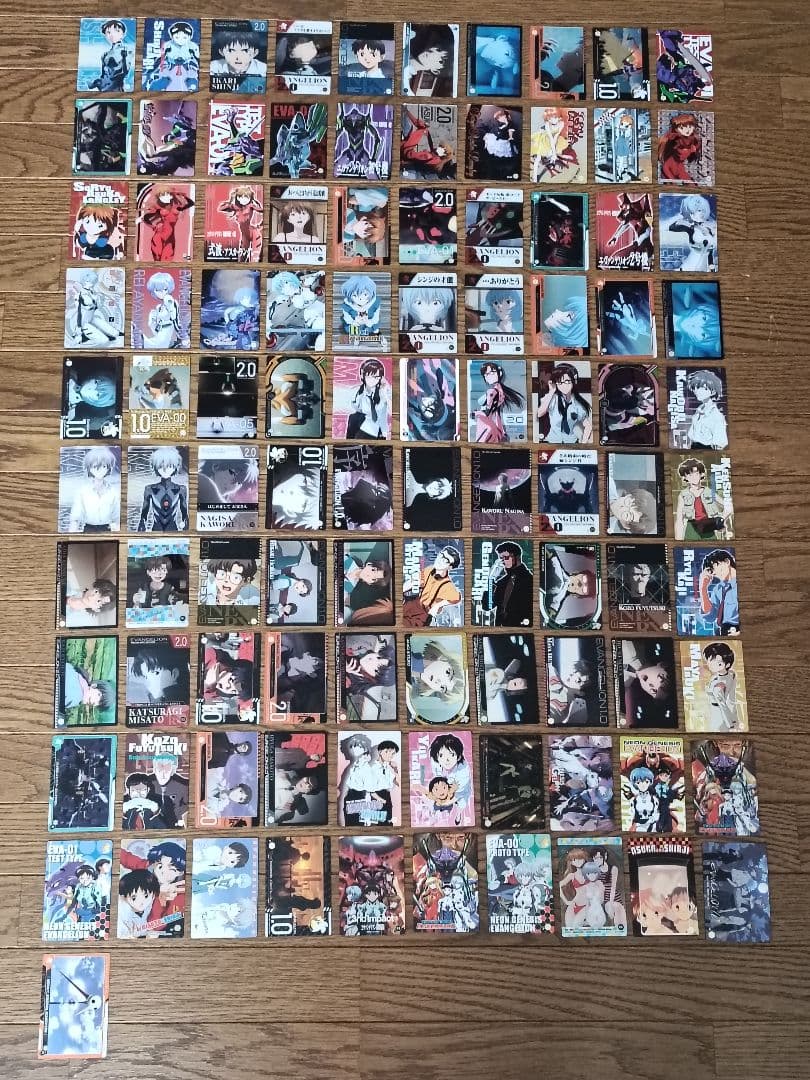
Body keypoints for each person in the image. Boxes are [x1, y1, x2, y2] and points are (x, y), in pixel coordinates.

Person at [674, 457, 733, 541]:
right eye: (690, 475)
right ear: (685, 477)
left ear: (701, 474)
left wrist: (721, 519)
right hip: (691, 529)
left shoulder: (709, 492)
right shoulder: (683, 495)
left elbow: (729, 506)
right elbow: (679, 520)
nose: (694, 477)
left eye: (696, 474)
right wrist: (678, 540)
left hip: (708, 527)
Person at [403, 546, 462, 627]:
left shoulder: (447, 586)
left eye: (446, 560)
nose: (441, 559)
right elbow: (415, 581)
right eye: (442, 555)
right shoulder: (429, 569)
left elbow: (457, 598)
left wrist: (438, 605)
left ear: (450, 567)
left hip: (423, 614)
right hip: (414, 604)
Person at [535, 360, 592, 441]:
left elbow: (588, 426)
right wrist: (551, 391)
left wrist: (584, 443)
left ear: (574, 381)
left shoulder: (577, 404)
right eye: (559, 382)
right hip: (552, 440)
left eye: (567, 381)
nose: (563, 385)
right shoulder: (552, 399)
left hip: (571, 442)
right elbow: (540, 413)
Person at [67, 446, 120, 533]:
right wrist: (71, 536)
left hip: (108, 530)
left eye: (103, 466)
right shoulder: (82, 492)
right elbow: (75, 518)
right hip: (88, 530)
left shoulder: (113, 492)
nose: (99, 470)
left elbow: (117, 519)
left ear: (108, 468)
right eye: (95, 466)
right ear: (89, 468)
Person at [137, 446, 188, 532]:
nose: (165, 469)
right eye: (161, 466)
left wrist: (186, 528)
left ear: (175, 466)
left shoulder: (181, 489)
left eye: (169, 466)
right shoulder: (149, 489)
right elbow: (144, 512)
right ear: (155, 467)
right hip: (156, 530)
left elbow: (184, 513)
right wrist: (141, 526)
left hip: (173, 530)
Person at [481, 541, 533, 626]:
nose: (503, 561)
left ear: (517, 557)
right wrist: (491, 580)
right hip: (501, 629)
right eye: (501, 558)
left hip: (522, 627)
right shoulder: (502, 582)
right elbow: (488, 606)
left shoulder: (529, 580)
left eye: (506, 557)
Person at [472, 361, 525, 443]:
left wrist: (475, 413)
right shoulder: (500, 389)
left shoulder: (492, 391)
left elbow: (488, 410)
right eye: (486, 374)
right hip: (496, 421)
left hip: (489, 423)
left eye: (492, 373)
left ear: (499, 373)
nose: (489, 376)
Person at [403, 24, 455, 97]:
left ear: (436, 70)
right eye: (438, 49)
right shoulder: (408, 39)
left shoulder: (404, 84)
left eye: (441, 60)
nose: (432, 51)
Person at [344, 359, 391, 439]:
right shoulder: (357, 391)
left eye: (376, 377)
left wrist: (386, 391)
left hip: (376, 431)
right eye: (369, 376)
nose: (373, 380)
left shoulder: (383, 393)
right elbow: (352, 408)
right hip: (360, 428)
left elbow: (387, 413)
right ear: (363, 376)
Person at [699, 549, 739, 635]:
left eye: (714, 566)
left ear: (727, 562)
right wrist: (703, 589)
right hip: (724, 632)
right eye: (710, 571)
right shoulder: (718, 589)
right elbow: (710, 617)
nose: (713, 573)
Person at [684, 369, 727, 448]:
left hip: (707, 449)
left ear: (713, 391)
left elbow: (720, 443)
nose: (697, 391)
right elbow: (692, 434)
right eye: (695, 387)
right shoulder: (699, 410)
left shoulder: (716, 415)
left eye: (702, 388)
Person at [703, 642, 740, 730]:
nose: (711, 665)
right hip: (725, 710)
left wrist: (730, 724)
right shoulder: (731, 674)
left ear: (727, 665)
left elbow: (723, 706)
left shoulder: (718, 686)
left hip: (719, 714)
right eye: (710, 661)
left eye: (719, 663)